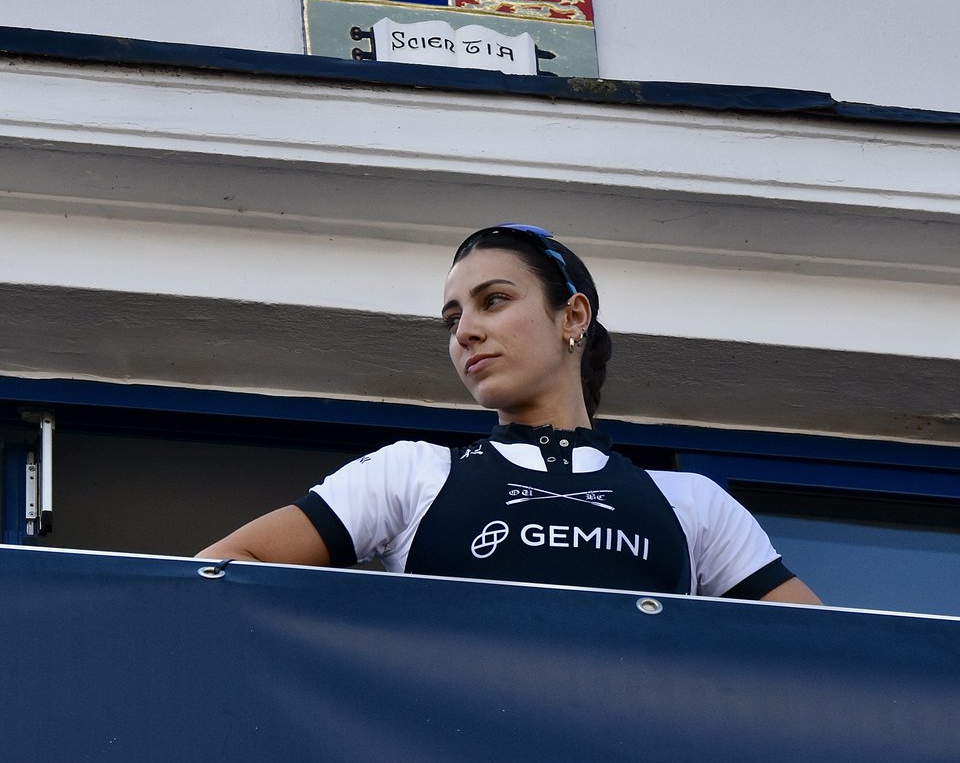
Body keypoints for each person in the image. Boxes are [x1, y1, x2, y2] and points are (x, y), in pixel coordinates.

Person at [197, 223, 820, 604]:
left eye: (493, 301)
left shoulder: (694, 503)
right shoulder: (409, 475)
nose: (466, 332)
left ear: (572, 316)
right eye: (452, 319)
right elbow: (218, 571)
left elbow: (827, 658)